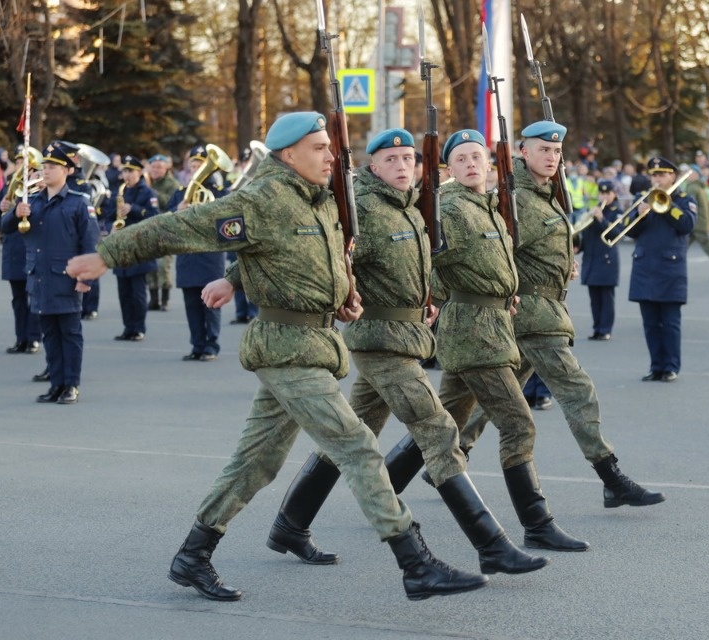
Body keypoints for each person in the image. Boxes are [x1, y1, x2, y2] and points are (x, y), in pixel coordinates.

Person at [66, 111, 487, 602]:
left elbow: (325, 259)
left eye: (330, 147)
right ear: (288, 155)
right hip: (286, 350)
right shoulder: (262, 199)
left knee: (257, 460)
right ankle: (416, 564)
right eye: (319, 148)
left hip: (314, 344)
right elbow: (182, 227)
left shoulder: (320, 199)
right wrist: (108, 254)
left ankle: (193, 554)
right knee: (357, 446)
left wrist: (343, 296)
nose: (331, 157)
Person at [258, 127, 546, 577]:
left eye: (409, 159)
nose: (402, 166)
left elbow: (423, 264)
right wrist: (341, 298)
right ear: (372, 166)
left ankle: (289, 526)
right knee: (439, 432)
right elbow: (330, 260)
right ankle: (491, 544)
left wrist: (425, 298)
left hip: (401, 335)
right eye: (391, 160)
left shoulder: (407, 206)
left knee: (352, 432)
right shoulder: (367, 209)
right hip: (379, 339)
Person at [387, 127, 591, 552]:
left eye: (476, 156)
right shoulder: (451, 207)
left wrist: (509, 287)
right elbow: (425, 260)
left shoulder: (490, 205)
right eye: (460, 159)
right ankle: (536, 524)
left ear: (490, 162)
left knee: (444, 422)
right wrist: (424, 302)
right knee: (517, 423)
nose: (470, 164)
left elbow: (498, 260)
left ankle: (383, 491)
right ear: (448, 168)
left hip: (493, 326)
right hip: (473, 332)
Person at [441, 124, 664, 510]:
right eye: (543, 149)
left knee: (496, 399)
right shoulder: (517, 198)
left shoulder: (544, 193)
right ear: (523, 153)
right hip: (532, 315)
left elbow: (538, 248)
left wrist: (560, 267)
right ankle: (610, 477)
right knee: (577, 390)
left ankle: (446, 457)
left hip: (542, 311)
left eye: (556, 151)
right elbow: (495, 254)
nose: (551, 157)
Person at [0, 142, 100, 404]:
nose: (45, 170)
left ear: (67, 170)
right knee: (50, 335)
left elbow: (90, 245)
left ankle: (71, 385)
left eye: (52, 166)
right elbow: (5, 227)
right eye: (44, 165)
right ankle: (56, 384)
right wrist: (15, 213)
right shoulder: (31, 200)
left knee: (70, 334)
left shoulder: (79, 203)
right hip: (39, 277)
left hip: (66, 278)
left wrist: (86, 278)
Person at [622, 156, 696, 381]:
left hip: (670, 269)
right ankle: (656, 367)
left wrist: (668, 206)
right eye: (654, 175)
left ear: (673, 176)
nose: (657, 179)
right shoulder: (642, 198)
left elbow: (687, 225)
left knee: (670, 323)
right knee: (650, 323)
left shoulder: (684, 199)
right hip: (645, 267)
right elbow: (628, 230)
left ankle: (671, 367)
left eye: (661, 174)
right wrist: (640, 215)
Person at [168, 147, 228, 361]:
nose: (195, 170)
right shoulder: (180, 193)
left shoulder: (219, 193)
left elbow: (228, 221)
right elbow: (164, 221)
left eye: (199, 166)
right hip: (187, 255)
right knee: (192, 304)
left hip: (209, 256)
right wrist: (177, 211)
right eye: (192, 166)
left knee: (210, 304)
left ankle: (211, 345)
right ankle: (197, 345)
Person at [102, 155, 159, 341]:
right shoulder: (119, 192)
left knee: (137, 293)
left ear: (139, 172)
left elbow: (154, 216)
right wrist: (111, 226)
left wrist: (133, 208)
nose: (127, 175)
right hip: (121, 248)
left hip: (139, 248)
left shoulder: (148, 193)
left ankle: (139, 328)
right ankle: (128, 328)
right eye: (125, 171)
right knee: (124, 293)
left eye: (131, 171)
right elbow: (109, 216)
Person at [0, 147, 42, 354]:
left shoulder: (40, 186)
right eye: (19, 161)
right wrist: (2, 209)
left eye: (25, 161)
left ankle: (34, 338)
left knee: (34, 297)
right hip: (13, 248)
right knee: (18, 299)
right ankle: (21, 338)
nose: (21, 165)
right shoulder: (10, 184)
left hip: (31, 247)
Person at [577, 179, 621, 340]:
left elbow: (616, 234)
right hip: (591, 259)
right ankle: (597, 329)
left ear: (614, 194)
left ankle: (606, 329)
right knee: (595, 300)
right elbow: (587, 235)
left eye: (607, 193)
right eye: (602, 193)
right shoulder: (593, 210)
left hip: (607, 260)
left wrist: (602, 219)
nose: (604, 196)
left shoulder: (617, 212)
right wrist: (578, 246)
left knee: (606, 299)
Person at [146, 154, 180, 312]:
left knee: (163, 265)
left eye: (159, 167)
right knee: (150, 264)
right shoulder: (147, 182)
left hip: (166, 228)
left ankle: (165, 299)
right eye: (153, 167)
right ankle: (154, 299)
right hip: (149, 227)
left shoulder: (172, 184)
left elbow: (171, 203)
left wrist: (153, 193)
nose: (155, 170)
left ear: (166, 168)